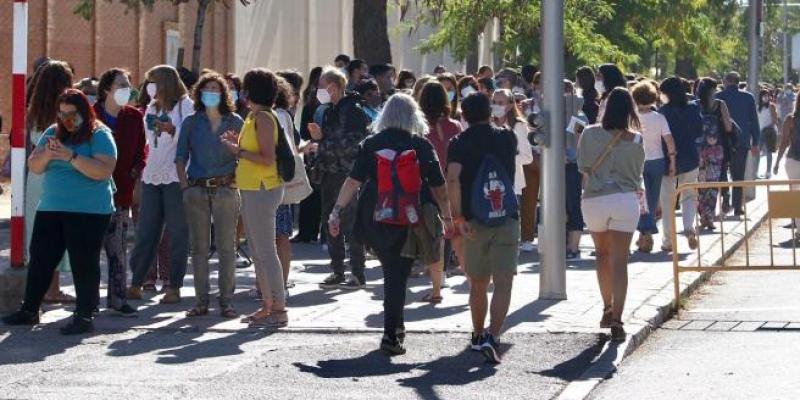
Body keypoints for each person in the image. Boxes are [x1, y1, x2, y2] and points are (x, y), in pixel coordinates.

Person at [328, 93, 453, 355]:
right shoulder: (421, 144)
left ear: (384, 115)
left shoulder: (371, 143)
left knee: (391, 271)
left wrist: (336, 211)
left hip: (375, 216)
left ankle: (395, 330)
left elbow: (353, 181)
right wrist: (447, 217)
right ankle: (391, 334)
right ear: (414, 116)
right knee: (398, 273)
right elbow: (439, 187)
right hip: (410, 216)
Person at [3, 89, 117, 335]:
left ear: (84, 112)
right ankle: (29, 309)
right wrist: (46, 154)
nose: (66, 119)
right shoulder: (52, 132)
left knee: (83, 262)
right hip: (51, 207)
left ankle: (84, 315)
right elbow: (34, 166)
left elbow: (103, 170)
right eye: (62, 114)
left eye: (71, 114)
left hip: (89, 211)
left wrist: (70, 156)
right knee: (40, 259)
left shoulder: (100, 134)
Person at [447, 93, 520, 364]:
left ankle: (478, 335)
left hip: (474, 220)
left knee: (478, 283)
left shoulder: (459, 142)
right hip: (506, 217)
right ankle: (494, 335)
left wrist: (458, 217)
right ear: (490, 112)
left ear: (464, 116)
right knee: (504, 281)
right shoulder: (507, 137)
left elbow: (452, 179)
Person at [221, 68, 288, 327]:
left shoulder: (263, 118)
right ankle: (268, 305)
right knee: (258, 251)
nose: (242, 93)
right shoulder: (253, 116)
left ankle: (279, 307)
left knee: (266, 250)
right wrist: (238, 144)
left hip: (262, 188)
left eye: (246, 88)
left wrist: (237, 151)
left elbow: (266, 158)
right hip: (251, 187)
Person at [578, 87, 645, 343]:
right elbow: (637, 173)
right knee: (620, 261)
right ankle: (617, 319)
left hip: (595, 199)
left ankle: (606, 307)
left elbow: (583, 166)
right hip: (625, 199)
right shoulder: (636, 140)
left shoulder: (589, 133)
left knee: (602, 254)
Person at [175, 72, 243, 318]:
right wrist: (185, 187)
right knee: (199, 248)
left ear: (224, 94)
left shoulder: (235, 121)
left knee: (227, 247)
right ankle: (201, 301)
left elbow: (244, 154)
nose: (211, 93)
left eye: (216, 89)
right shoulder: (191, 122)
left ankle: (227, 301)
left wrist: (236, 174)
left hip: (226, 189)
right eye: (207, 89)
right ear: (199, 93)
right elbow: (180, 156)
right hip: (197, 188)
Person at [127, 65, 193, 303]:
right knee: (146, 231)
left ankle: (174, 285)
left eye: (153, 82)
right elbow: (149, 139)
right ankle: (137, 281)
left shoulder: (185, 105)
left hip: (176, 175)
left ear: (165, 83)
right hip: (152, 174)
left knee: (177, 232)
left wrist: (172, 129)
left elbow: (189, 137)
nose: (149, 87)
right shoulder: (152, 107)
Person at [308, 67, 370, 289]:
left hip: (348, 174)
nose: (318, 90)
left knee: (351, 224)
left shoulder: (353, 110)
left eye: (321, 86)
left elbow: (353, 144)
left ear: (333, 87)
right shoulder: (330, 111)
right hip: (329, 173)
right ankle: (337, 271)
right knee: (330, 222)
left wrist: (322, 141)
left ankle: (357, 272)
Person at [94, 68, 147, 316]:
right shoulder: (91, 115)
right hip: (91, 194)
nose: (127, 89)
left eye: (128, 85)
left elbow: (141, 151)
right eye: (121, 85)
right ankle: (89, 300)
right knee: (89, 251)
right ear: (107, 89)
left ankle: (118, 298)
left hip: (121, 194)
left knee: (117, 249)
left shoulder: (134, 117)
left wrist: (134, 172)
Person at [25, 60, 75, 304]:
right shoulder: (65, 112)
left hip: (36, 176)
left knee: (39, 234)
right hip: (57, 176)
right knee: (57, 233)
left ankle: (40, 289)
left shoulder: (33, 111)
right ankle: (52, 289)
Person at [419, 81, 463, 303]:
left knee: (432, 232)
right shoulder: (455, 126)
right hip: (452, 184)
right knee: (450, 228)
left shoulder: (419, 129)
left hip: (427, 185)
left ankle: (435, 272)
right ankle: (444, 272)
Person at [659, 77, 703, 252]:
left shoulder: (663, 112)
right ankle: (689, 228)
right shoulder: (693, 108)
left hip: (668, 159)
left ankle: (668, 240)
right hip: (690, 157)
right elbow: (699, 131)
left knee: (667, 200)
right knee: (689, 195)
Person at [631, 81, 676, 253]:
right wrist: (672, 161)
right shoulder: (659, 117)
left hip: (636, 161)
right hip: (658, 161)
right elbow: (669, 141)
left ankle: (645, 232)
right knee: (652, 197)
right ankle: (646, 232)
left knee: (640, 198)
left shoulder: (631, 117)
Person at [491, 89, 534, 252]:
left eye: (500, 103)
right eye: (494, 102)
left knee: (509, 222)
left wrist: (505, 158)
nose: (496, 106)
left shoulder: (519, 125)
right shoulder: (488, 124)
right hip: (491, 182)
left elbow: (527, 157)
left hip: (512, 182)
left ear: (510, 105)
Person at [715, 72, 760, 216]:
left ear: (725, 81)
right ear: (738, 82)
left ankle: (725, 196)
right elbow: (754, 121)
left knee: (722, 171)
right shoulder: (748, 97)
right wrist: (756, 142)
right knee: (738, 174)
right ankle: (737, 206)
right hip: (742, 140)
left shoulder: (718, 97)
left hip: (722, 140)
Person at [293, 67, 324, 244]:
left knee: (320, 195)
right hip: (313, 153)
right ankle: (308, 231)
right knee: (311, 194)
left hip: (324, 153)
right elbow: (305, 131)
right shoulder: (311, 105)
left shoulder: (335, 106)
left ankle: (317, 233)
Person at [773, 91, 800, 233]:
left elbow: (784, 143)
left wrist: (777, 162)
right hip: (794, 161)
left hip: (793, 160)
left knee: (795, 194)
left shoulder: (790, 119)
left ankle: (797, 224)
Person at [697, 130, 725, 230]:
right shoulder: (703, 148)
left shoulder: (719, 148)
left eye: (714, 137)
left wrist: (709, 159)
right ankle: (704, 220)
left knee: (712, 200)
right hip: (703, 177)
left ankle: (710, 220)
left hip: (714, 178)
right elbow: (700, 161)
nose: (711, 139)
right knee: (702, 200)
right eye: (709, 137)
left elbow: (719, 160)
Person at [757, 88, 779, 179]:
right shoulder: (757, 107)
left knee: (769, 152)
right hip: (759, 132)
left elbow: (775, 120)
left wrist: (768, 127)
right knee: (757, 152)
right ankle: (755, 171)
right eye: (764, 95)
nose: (766, 97)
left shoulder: (771, 106)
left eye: (767, 95)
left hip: (769, 131)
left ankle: (768, 172)